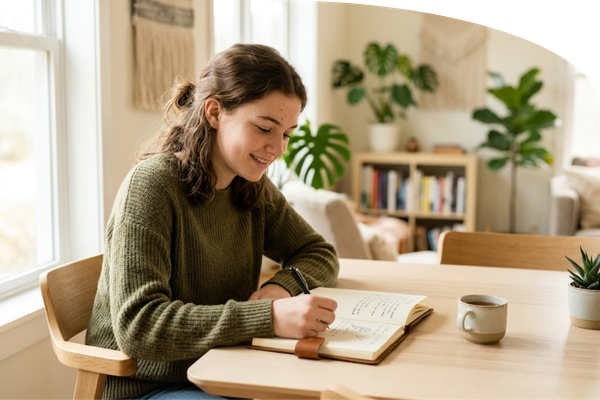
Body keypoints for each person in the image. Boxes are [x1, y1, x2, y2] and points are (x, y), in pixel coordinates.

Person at [85, 43, 339, 400]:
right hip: (150, 387)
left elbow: (317, 251)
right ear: (215, 112)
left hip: (226, 368)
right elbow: (139, 326)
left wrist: (280, 289)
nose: (278, 149)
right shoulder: (152, 186)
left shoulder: (250, 187)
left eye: (286, 133)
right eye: (264, 128)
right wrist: (268, 317)